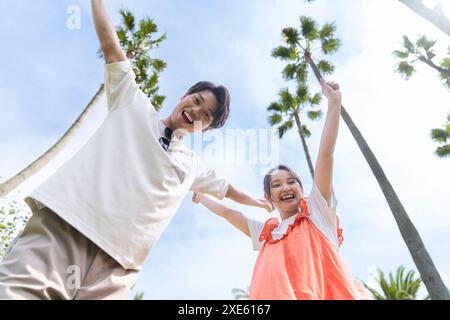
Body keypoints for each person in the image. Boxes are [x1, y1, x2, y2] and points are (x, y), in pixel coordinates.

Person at [0, 0, 271, 300]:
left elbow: (228, 189)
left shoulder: (192, 165)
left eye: (205, 115)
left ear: (205, 129)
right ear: (184, 96)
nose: (196, 111)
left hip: (117, 268)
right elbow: (111, 46)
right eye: (195, 101)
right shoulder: (132, 102)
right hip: (66, 227)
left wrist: (259, 203)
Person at [193, 79, 371, 299]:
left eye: (291, 181)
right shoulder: (267, 234)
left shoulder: (317, 213)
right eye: (276, 185)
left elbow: (326, 154)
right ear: (269, 198)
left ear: (301, 188)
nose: (285, 187)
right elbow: (229, 213)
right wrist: (202, 197)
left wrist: (334, 103)